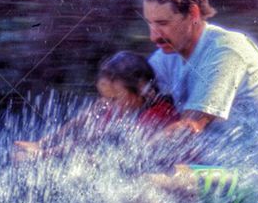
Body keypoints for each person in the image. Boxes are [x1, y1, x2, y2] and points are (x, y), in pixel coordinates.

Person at [140, 0, 258, 203]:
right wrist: (57, 147)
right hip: (212, 171)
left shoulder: (226, 51)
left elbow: (190, 128)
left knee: (143, 185)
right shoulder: (167, 55)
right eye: (149, 24)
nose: (153, 36)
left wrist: (128, 154)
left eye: (162, 23)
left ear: (193, 13)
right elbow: (122, 102)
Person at [12, 51, 179, 162]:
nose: (108, 104)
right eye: (105, 98)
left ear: (143, 90)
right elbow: (88, 125)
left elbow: (103, 141)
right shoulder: (125, 105)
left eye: (113, 99)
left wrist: (45, 155)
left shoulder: (158, 114)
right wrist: (44, 143)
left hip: (186, 175)